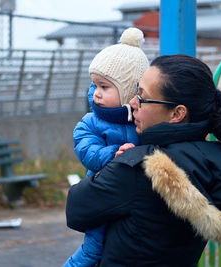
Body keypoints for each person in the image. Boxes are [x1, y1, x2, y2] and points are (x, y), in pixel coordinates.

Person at [66, 54, 221, 266]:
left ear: (176, 114)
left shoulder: (139, 168)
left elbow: (76, 209)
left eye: (142, 97)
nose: (132, 103)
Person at [63, 27, 149, 267]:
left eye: (105, 87)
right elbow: (86, 151)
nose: (96, 94)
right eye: (95, 86)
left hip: (135, 197)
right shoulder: (91, 121)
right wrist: (112, 154)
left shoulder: (143, 118)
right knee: (92, 250)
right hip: (103, 191)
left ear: (129, 91)